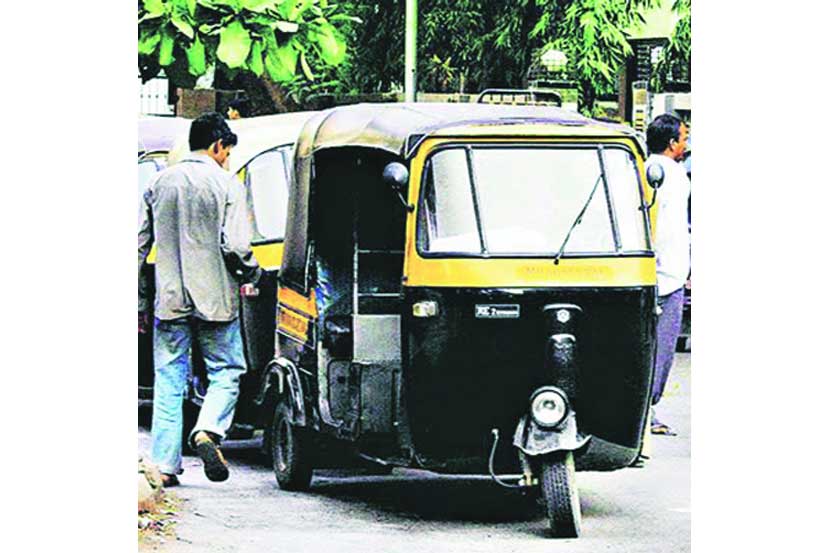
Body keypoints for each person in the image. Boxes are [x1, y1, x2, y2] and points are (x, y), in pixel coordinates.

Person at [138, 112, 261, 486]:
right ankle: (207, 428)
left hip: (170, 301)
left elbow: (137, 247)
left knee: (168, 379)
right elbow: (236, 246)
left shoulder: (158, 183)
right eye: (227, 152)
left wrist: (138, 302)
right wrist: (252, 273)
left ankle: (164, 466)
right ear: (218, 145)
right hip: (216, 302)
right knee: (227, 371)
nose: (226, 159)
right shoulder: (228, 184)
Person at [645, 113, 691, 436]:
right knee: (661, 349)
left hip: (648, 272)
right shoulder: (674, 174)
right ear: (672, 143)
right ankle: (647, 411)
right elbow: (671, 229)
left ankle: (643, 410)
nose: (685, 144)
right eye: (683, 138)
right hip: (668, 276)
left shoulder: (640, 168)